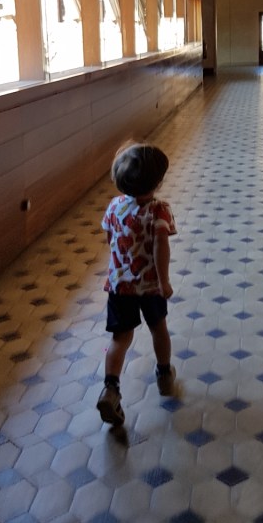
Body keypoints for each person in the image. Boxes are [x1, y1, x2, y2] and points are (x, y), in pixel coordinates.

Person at [96, 141, 177, 426]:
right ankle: (165, 374)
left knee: (120, 339)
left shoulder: (115, 206)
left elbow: (110, 239)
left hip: (119, 285)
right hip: (150, 286)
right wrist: (164, 281)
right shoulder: (159, 211)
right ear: (158, 181)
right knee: (159, 329)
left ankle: (111, 388)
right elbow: (160, 248)